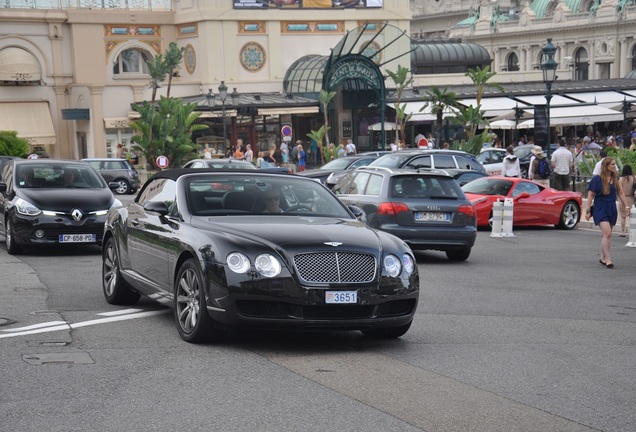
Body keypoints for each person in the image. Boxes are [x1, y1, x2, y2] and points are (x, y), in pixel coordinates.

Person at [585, 157, 630, 268]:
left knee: (606, 235)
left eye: (615, 164)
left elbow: (621, 193)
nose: (614, 166)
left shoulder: (615, 179)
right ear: (606, 166)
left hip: (611, 207)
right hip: (600, 207)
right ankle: (608, 259)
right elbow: (590, 195)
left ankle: (602, 257)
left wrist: (627, 206)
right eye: (612, 164)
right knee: (607, 233)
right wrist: (587, 210)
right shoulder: (597, 179)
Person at [618, 164, 635, 237]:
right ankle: (632, 232)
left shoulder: (621, 179)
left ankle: (623, 232)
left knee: (623, 216)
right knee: (632, 217)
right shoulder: (634, 178)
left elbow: (619, 190)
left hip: (622, 199)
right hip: (631, 198)